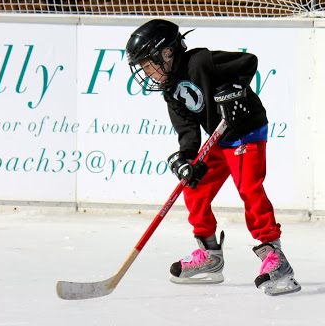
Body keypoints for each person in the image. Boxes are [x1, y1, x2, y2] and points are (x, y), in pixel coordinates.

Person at [125, 19, 301, 296]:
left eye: (149, 65)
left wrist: (233, 91)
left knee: (249, 189)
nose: (147, 73)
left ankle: (274, 256)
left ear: (167, 53)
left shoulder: (200, 62)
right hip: (220, 138)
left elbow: (248, 62)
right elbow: (188, 131)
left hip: (246, 132)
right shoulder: (170, 91)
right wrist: (186, 158)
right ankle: (210, 255)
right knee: (194, 186)